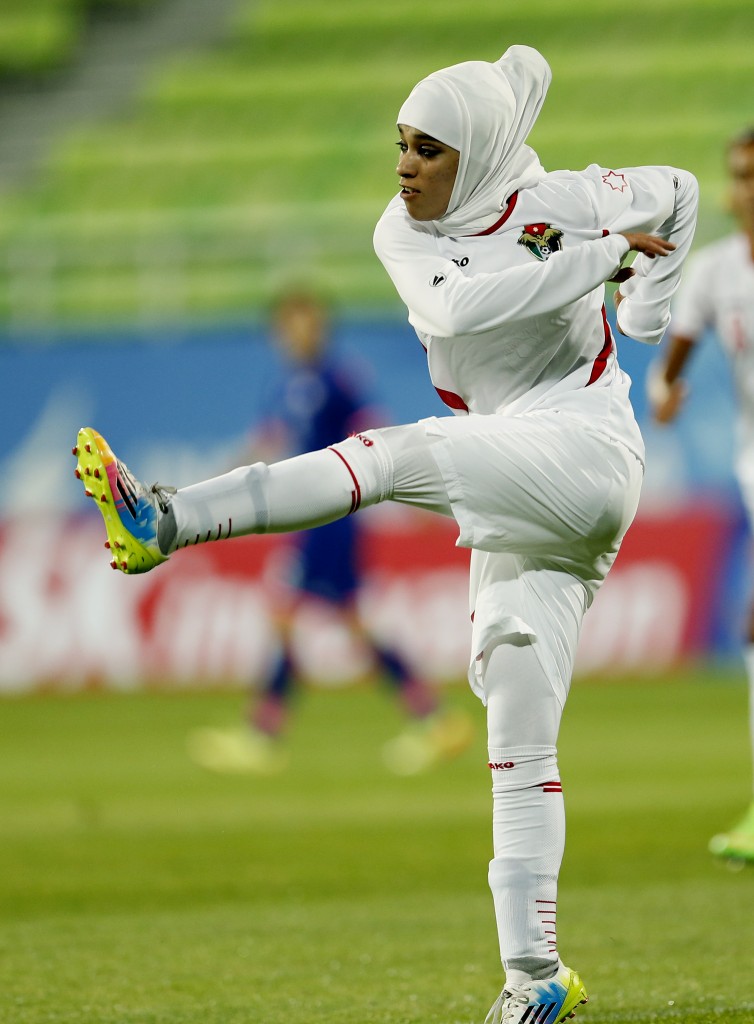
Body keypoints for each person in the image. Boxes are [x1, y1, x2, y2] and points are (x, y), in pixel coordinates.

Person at [72, 44, 697, 1024]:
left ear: (482, 153)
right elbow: (460, 303)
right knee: (516, 723)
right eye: (401, 143)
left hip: (584, 450)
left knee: (394, 456)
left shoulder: (572, 198)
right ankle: (536, 980)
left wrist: (648, 311)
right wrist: (607, 263)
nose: (405, 165)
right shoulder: (403, 237)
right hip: (522, 470)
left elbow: (680, 191)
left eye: (430, 149)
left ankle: (167, 519)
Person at [186, 287, 474, 776]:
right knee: (346, 625)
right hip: (311, 520)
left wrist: (412, 497)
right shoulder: (287, 382)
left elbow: (376, 432)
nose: (295, 331)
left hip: (332, 520)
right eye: (287, 323)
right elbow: (270, 439)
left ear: (320, 326)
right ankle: (433, 718)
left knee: (289, 616)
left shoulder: (336, 378)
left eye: (305, 321)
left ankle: (264, 734)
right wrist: (216, 486)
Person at [647, 127, 754, 866]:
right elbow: (675, 354)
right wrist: (664, 392)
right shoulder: (717, 272)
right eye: (740, 175)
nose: (745, 187)